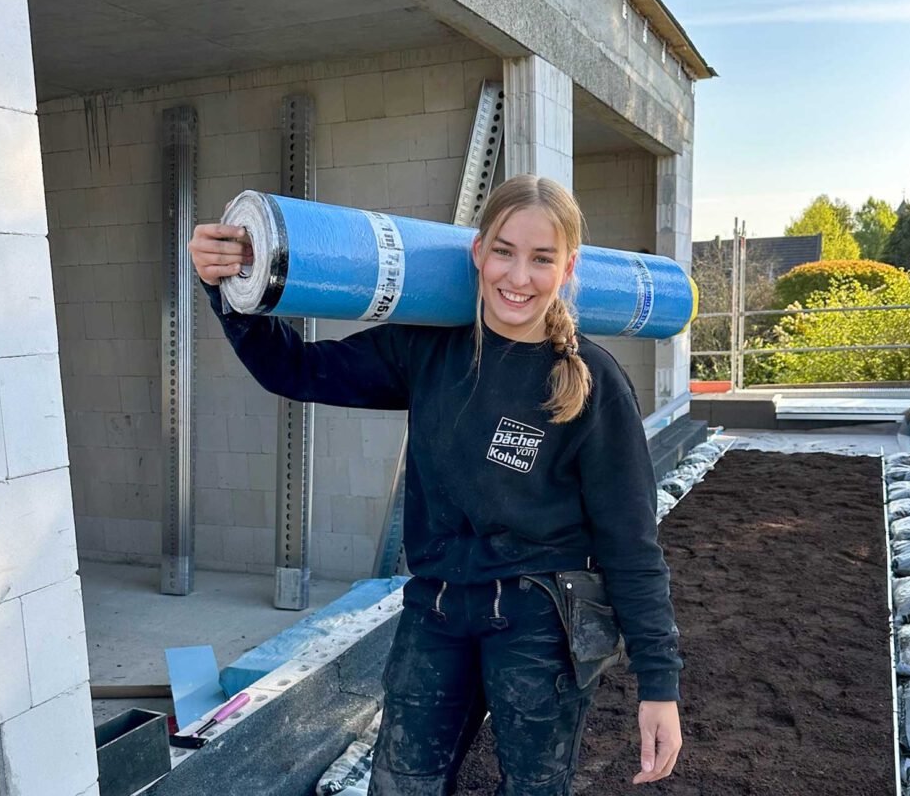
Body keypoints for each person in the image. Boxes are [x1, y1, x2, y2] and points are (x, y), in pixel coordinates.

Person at [190, 175, 683, 795]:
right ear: (477, 252)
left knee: (534, 787)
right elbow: (293, 370)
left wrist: (658, 685)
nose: (518, 276)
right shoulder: (429, 350)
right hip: (439, 607)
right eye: (503, 250)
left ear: (569, 267)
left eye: (541, 258)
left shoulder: (590, 383)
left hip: (542, 614)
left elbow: (631, 544)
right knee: (402, 783)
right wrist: (228, 287)